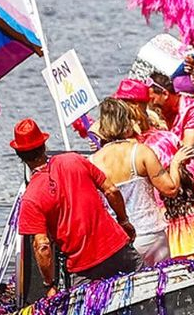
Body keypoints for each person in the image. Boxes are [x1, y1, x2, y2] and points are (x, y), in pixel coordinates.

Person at [11, 118, 138, 286]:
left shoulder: (30, 198)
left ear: (20, 156)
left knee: (87, 310)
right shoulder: (74, 160)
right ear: (44, 146)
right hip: (118, 249)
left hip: (83, 269)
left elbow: (42, 246)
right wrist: (124, 221)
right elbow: (111, 191)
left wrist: (50, 284)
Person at [87, 97, 173, 265]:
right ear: (127, 123)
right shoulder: (140, 152)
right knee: (163, 284)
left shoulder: (91, 161)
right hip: (150, 235)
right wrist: (176, 165)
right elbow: (170, 189)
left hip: (117, 240)